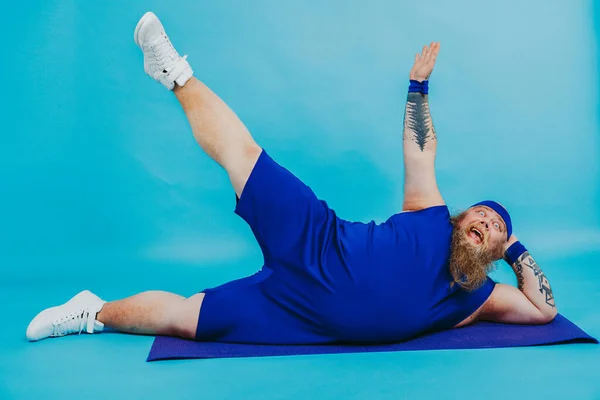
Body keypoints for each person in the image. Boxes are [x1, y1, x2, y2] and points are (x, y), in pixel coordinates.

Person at [26, 12, 557, 345]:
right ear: (463, 216)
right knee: (246, 157)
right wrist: (417, 88)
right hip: (321, 242)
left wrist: (514, 249)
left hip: (300, 316)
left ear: (493, 250)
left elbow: (544, 310)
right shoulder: (431, 214)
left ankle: (90, 311)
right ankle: (174, 72)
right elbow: (420, 148)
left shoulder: (479, 296)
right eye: (482, 213)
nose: (485, 221)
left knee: (185, 319)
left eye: (494, 227)